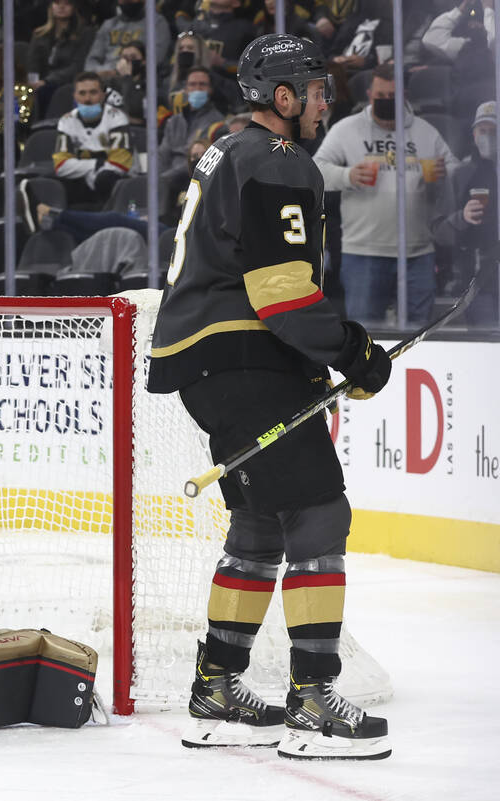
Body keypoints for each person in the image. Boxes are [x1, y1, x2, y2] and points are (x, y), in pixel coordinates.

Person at [147, 33, 393, 760]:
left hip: (209, 362)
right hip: (244, 358)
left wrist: (319, 364)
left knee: (259, 523)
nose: (327, 101)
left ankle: (217, 686)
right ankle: (313, 700)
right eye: (316, 91)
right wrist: (352, 352)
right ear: (282, 100)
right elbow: (281, 292)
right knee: (319, 509)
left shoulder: (227, 148)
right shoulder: (281, 162)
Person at [313, 63, 457, 327]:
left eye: (392, 97)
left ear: (404, 96)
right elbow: (315, 171)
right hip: (364, 252)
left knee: (419, 334)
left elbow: (457, 172)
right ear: (369, 94)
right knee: (365, 333)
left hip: (417, 253)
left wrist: (442, 175)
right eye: (380, 97)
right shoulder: (347, 129)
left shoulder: (425, 132)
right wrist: (348, 176)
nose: (386, 102)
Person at [433, 101, 498, 327]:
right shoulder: (460, 175)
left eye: (494, 131)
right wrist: (462, 217)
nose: (488, 137)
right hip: (479, 281)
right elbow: (439, 233)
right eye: (483, 130)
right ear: (473, 134)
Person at [52, 70, 137, 209]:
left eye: (93, 92)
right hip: (86, 182)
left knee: (105, 179)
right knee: (60, 184)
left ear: (103, 95)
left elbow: (119, 166)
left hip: (118, 181)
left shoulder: (117, 118)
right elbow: (61, 166)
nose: (87, 99)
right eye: (82, 93)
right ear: (74, 96)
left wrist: (83, 167)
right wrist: (97, 164)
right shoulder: (66, 121)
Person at [27, 0, 97, 117]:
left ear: (74, 7)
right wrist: (33, 82)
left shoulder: (85, 33)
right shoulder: (39, 34)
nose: (61, 7)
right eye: (57, 2)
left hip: (67, 82)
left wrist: (47, 81)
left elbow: (77, 66)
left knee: (45, 92)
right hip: (41, 83)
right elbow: (32, 64)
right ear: (51, 6)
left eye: (67, 3)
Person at [159, 67, 227, 173]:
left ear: (210, 89)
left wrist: (165, 179)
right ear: (186, 89)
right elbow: (163, 155)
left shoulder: (217, 121)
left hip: (193, 175)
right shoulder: (174, 121)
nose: (197, 88)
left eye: (202, 84)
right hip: (167, 177)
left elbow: (200, 160)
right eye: (192, 84)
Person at [84, 0, 171, 77]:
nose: (127, 1)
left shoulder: (157, 23)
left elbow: (155, 59)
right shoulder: (109, 24)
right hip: (103, 77)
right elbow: (91, 61)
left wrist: (117, 72)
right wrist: (102, 72)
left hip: (137, 78)